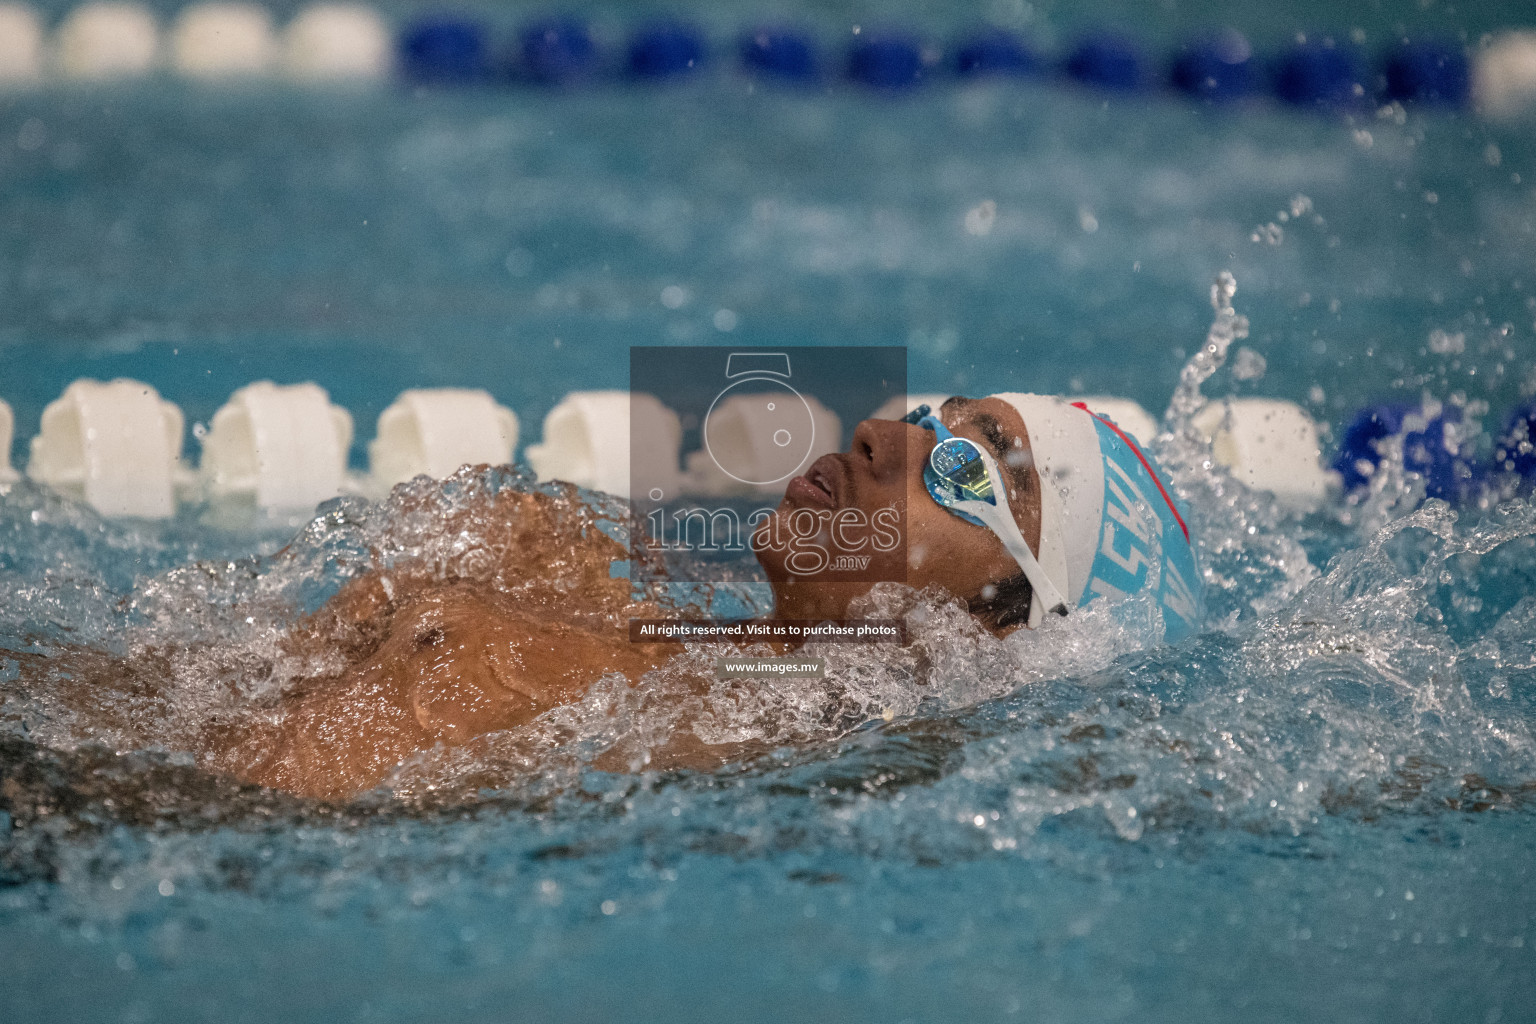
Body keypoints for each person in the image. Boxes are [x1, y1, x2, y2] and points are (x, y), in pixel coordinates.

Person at [133, 393, 1205, 800]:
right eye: (935, 414)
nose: (886, 434)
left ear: (995, 627)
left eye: (969, 469)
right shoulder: (667, 635)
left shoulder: (769, 753)